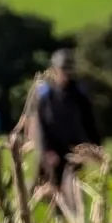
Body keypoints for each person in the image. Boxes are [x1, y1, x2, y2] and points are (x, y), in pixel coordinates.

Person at [32, 48, 100, 196]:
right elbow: (42, 125)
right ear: (54, 70)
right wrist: (47, 150)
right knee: (54, 191)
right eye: (63, 70)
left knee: (74, 190)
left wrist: (95, 146)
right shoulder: (46, 95)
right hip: (53, 150)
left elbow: (89, 122)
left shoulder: (80, 94)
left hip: (75, 150)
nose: (66, 75)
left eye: (69, 70)